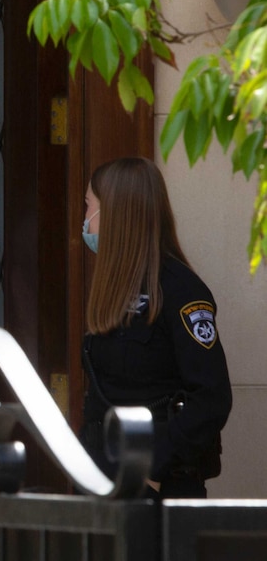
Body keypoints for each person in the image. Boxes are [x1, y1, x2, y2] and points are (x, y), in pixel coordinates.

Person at [78, 156, 232, 499]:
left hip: (158, 489)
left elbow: (211, 398)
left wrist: (154, 467)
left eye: (89, 206)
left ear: (116, 215)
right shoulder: (116, 289)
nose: (85, 220)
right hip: (105, 480)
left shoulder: (180, 290)